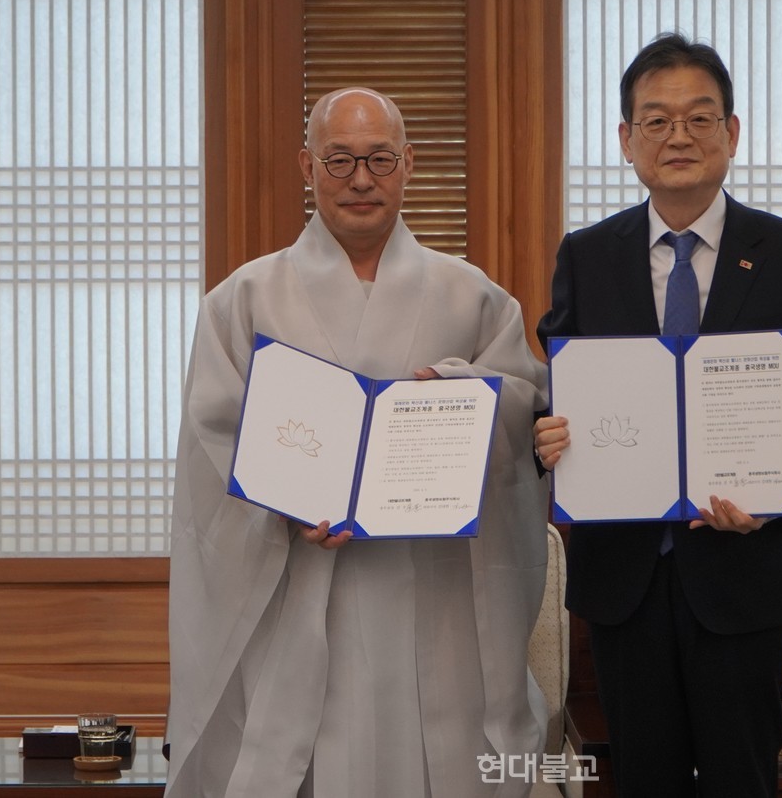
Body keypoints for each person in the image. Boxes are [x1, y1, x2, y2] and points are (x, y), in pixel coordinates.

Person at [165, 87, 552, 797]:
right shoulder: (243, 299)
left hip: (433, 586)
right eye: (340, 160)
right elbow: (210, 438)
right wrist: (279, 503)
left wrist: (466, 389)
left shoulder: (473, 296)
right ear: (306, 167)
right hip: (299, 584)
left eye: (379, 158)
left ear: (409, 164)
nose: (361, 179)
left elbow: (528, 411)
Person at [534, 33, 782, 797]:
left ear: (732, 132)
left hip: (746, 577)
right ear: (626, 140)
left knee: (740, 780)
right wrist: (544, 436)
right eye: (655, 120)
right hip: (624, 581)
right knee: (642, 780)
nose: (677, 136)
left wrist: (780, 496)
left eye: (698, 117)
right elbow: (564, 397)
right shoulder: (587, 256)